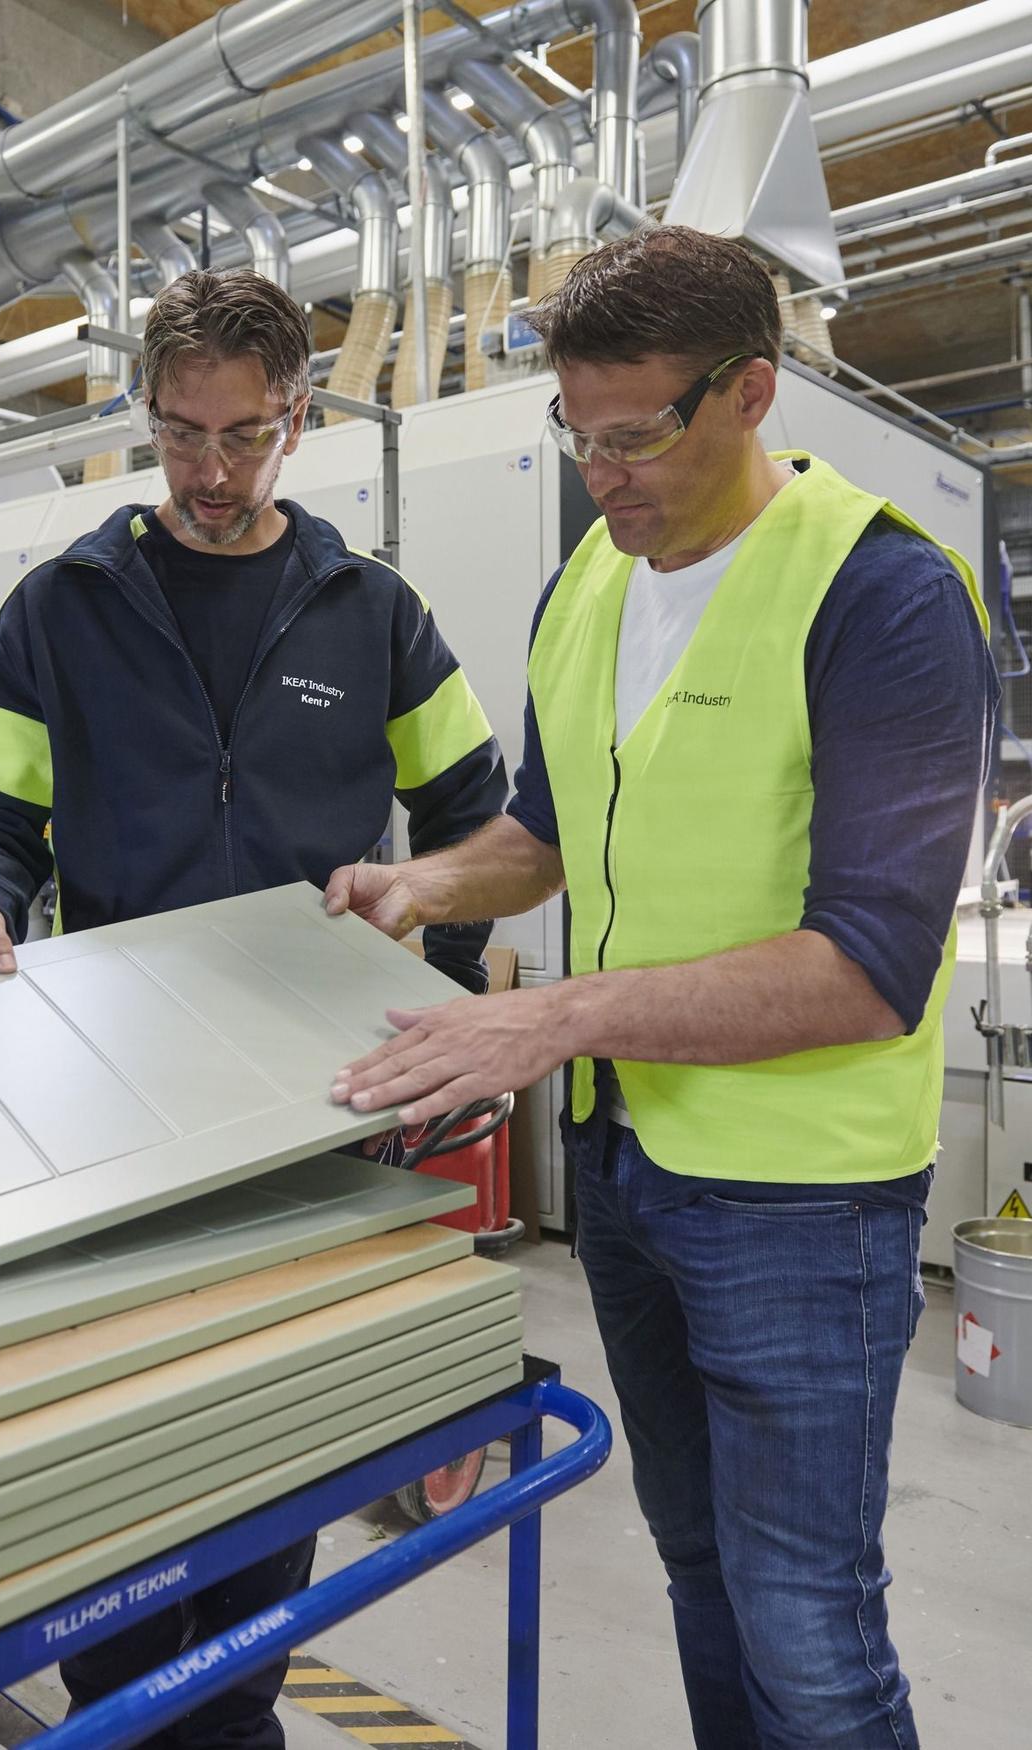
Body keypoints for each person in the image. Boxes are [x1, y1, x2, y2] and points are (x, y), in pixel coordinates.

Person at [324, 227, 998, 1750]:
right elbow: (548, 838)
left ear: (751, 392)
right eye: (579, 433)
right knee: (698, 1570)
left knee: (809, 1623)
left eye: (636, 435)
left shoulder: (884, 594)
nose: (603, 472)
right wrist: (431, 880)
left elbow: (872, 967)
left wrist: (550, 1018)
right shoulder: (591, 585)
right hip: (632, 1170)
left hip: (802, 1205)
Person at [0, 266, 506, 1748]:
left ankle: (234, 1711)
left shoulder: (376, 615)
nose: (211, 471)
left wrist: (435, 1014)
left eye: (244, 435)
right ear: (149, 416)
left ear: (297, 419)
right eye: (181, 434)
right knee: (123, 1447)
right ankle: (123, 1709)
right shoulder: (62, 610)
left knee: (271, 1449)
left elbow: (480, 826)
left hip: (320, 1108)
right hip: (115, 1102)